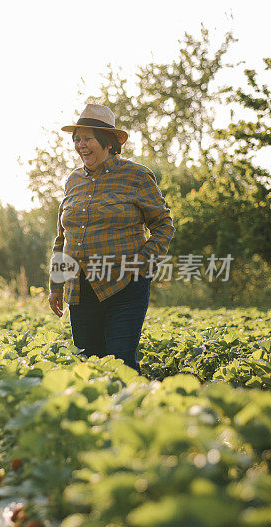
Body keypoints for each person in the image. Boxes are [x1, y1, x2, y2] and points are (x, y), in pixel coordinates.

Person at [48, 103, 174, 373]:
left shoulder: (136, 176)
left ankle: (132, 412)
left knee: (120, 364)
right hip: (80, 290)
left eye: (87, 139)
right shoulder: (73, 181)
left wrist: (141, 264)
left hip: (124, 288)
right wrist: (56, 285)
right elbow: (63, 237)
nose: (81, 145)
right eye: (77, 139)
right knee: (90, 366)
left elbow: (163, 224)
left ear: (106, 142)